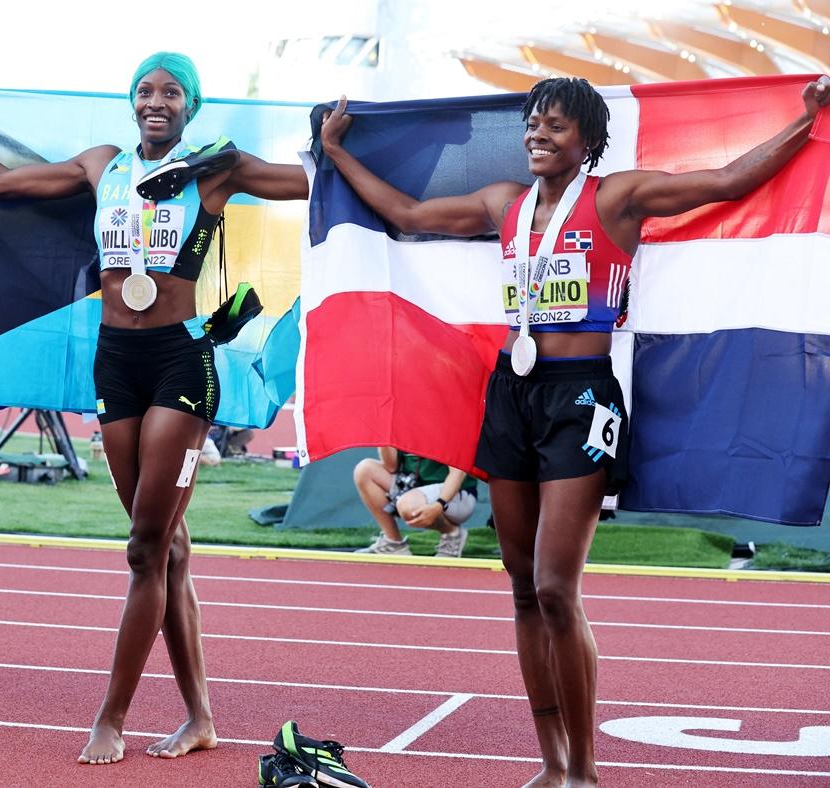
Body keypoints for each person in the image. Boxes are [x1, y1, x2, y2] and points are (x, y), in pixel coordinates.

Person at [320, 75, 830, 787]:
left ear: (586, 140)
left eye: (555, 126)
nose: (537, 134)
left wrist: (807, 122)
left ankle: (585, 772)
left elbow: (724, 180)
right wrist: (336, 155)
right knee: (522, 588)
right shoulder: (505, 204)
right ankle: (552, 763)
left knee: (558, 588)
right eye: (533, 123)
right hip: (511, 393)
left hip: (583, 400)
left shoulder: (617, 198)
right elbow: (406, 210)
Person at [0, 51, 308, 765]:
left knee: (145, 548)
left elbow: (306, 183)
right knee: (168, 550)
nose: (156, 101)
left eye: (171, 92)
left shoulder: (214, 170)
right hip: (115, 363)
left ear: (191, 106)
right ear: (131, 102)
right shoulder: (102, 165)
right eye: (145, 90)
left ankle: (109, 718)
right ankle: (200, 717)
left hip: (182, 359)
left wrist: (337, 142)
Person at [353, 448, 476, 557]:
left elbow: (457, 474)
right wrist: (385, 434)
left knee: (409, 505)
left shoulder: (448, 425)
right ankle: (394, 543)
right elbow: (391, 466)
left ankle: (452, 534)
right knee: (365, 469)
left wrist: (438, 505)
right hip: (414, 487)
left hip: (457, 495)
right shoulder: (402, 423)